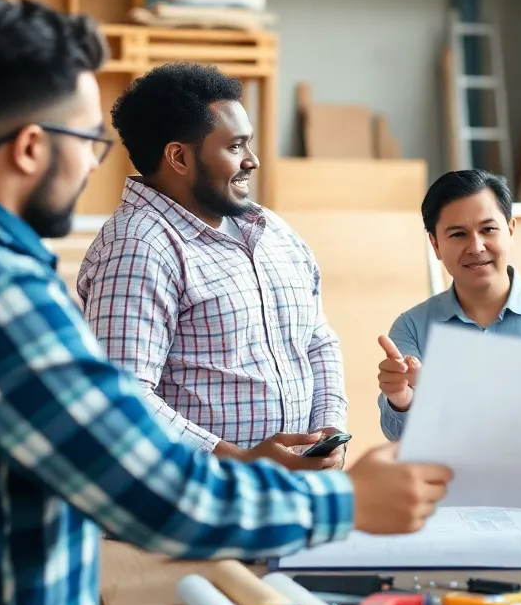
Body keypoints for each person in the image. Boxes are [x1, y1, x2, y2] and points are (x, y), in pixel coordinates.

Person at [0, 0, 451, 605]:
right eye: (87, 140)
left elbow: (314, 340)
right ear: (29, 147)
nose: (92, 163)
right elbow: (159, 492)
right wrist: (348, 499)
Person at [77, 63, 348, 471]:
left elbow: (317, 340)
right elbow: (120, 397)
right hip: (194, 504)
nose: (253, 160)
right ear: (179, 157)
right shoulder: (138, 248)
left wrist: (327, 429)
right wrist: (237, 460)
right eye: (235, 146)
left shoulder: (272, 231)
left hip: (284, 491)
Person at [378, 169, 521, 440]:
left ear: (510, 230)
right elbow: (402, 439)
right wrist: (402, 400)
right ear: (435, 245)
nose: (476, 246)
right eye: (458, 234)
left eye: (488, 229)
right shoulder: (412, 327)